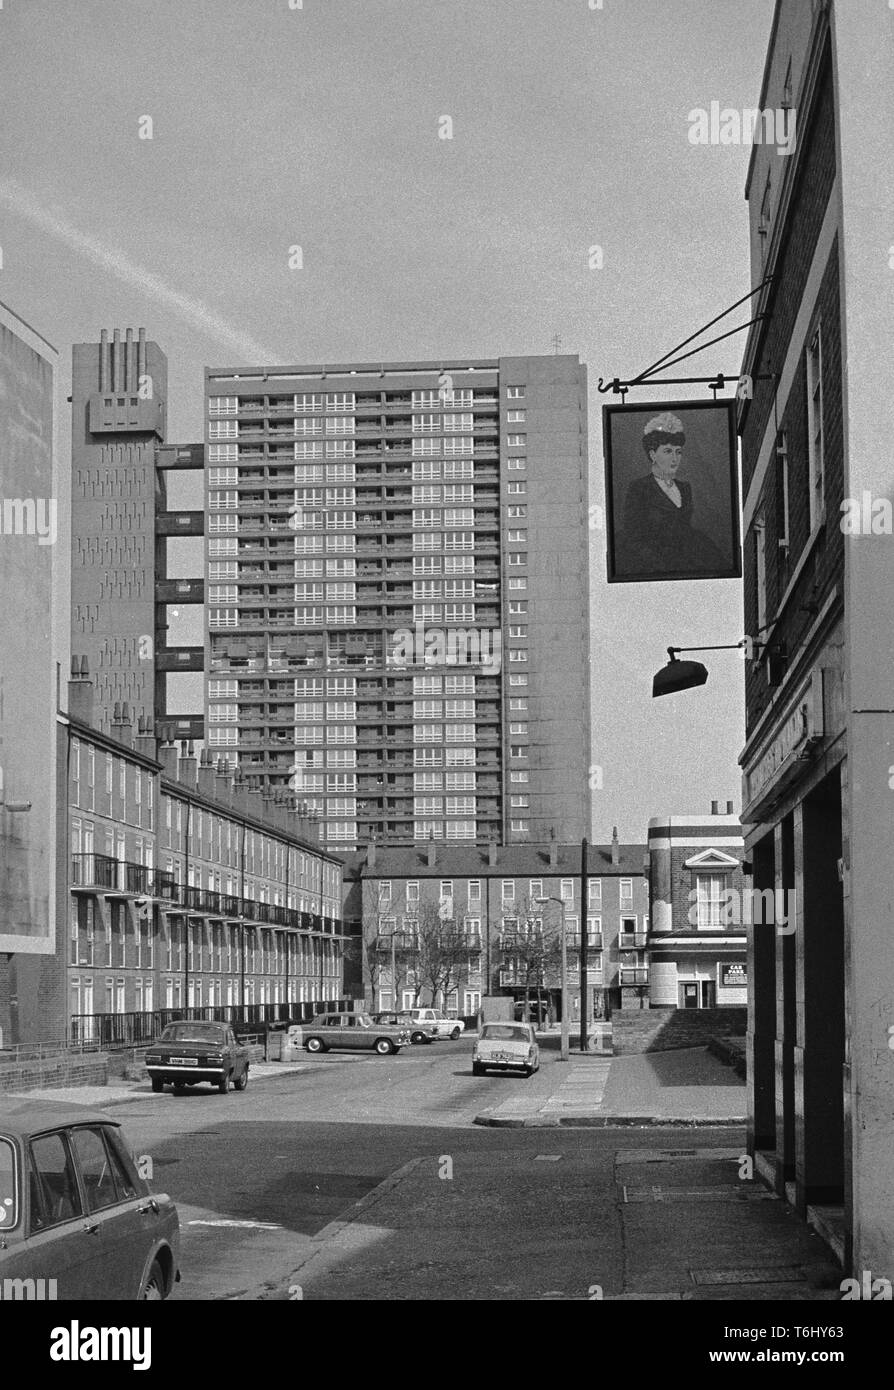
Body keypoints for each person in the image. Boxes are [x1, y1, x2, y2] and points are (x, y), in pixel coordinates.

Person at [615, 411, 726, 576]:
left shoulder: (684, 488)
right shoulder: (639, 488)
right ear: (653, 454)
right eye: (667, 451)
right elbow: (633, 535)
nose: (675, 458)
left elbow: (686, 529)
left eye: (678, 451)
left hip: (686, 560)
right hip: (652, 563)